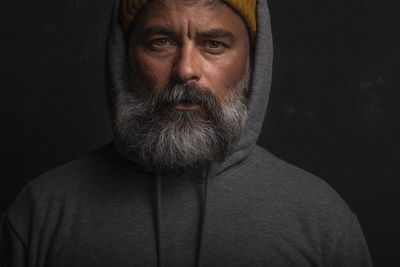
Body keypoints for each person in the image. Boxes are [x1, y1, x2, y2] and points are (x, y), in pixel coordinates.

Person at [0, 0, 372, 266]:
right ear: (123, 57)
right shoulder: (41, 213)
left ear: (254, 60)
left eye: (213, 44)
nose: (185, 69)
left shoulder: (321, 219)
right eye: (160, 41)